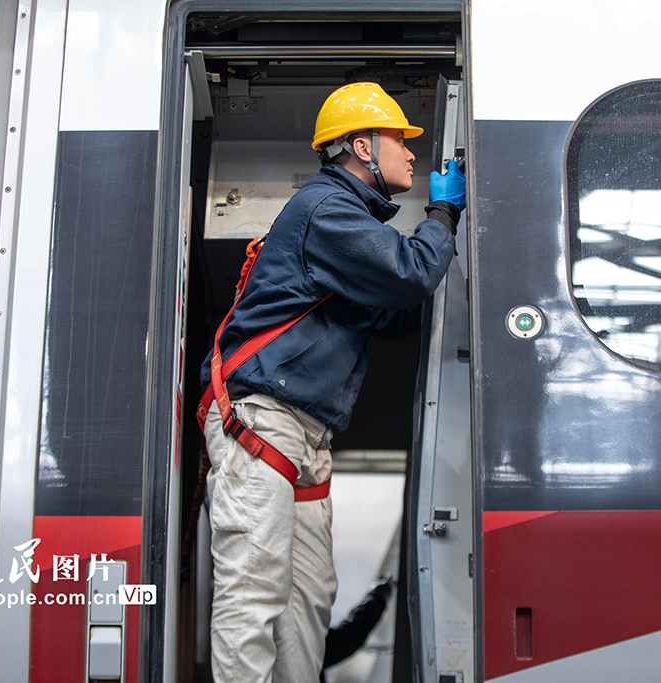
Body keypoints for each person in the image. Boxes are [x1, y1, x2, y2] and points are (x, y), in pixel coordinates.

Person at [199, 81, 466, 682]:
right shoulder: (328, 208)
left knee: (307, 604)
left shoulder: (346, 223)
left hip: (304, 434)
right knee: (254, 595)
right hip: (262, 423)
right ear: (362, 147)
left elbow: (394, 313)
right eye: (398, 137)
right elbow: (410, 274)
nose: (409, 151)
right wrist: (443, 214)